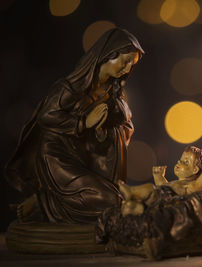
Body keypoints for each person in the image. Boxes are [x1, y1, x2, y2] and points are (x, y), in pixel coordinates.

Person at [4, 28, 145, 224]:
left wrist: (112, 124)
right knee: (111, 201)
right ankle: (45, 203)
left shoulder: (113, 92)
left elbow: (124, 123)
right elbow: (47, 115)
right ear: (108, 55)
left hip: (87, 159)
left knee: (117, 200)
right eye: (126, 61)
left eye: (133, 64)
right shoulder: (71, 87)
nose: (128, 68)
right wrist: (83, 122)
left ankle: (50, 204)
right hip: (58, 157)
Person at [118, 146, 202, 216]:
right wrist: (158, 176)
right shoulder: (175, 182)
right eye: (180, 159)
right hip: (161, 194)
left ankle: (131, 192)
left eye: (185, 162)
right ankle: (134, 206)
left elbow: (199, 186)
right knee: (148, 196)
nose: (179, 162)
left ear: (195, 170)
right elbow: (163, 185)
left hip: (166, 199)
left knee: (150, 188)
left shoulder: (190, 185)